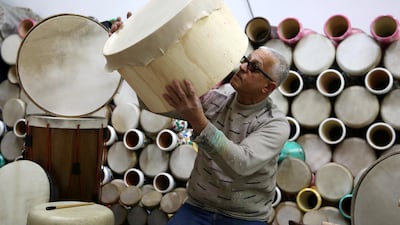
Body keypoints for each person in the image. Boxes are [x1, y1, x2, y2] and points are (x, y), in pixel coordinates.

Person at [109, 18, 290, 225]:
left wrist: (199, 121)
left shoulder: (275, 124)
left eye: (253, 68)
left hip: (244, 217)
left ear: (268, 88)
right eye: (245, 60)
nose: (242, 67)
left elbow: (241, 164)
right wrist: (128, 53)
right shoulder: (219, 97)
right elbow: (154, 102)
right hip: (198, 207)